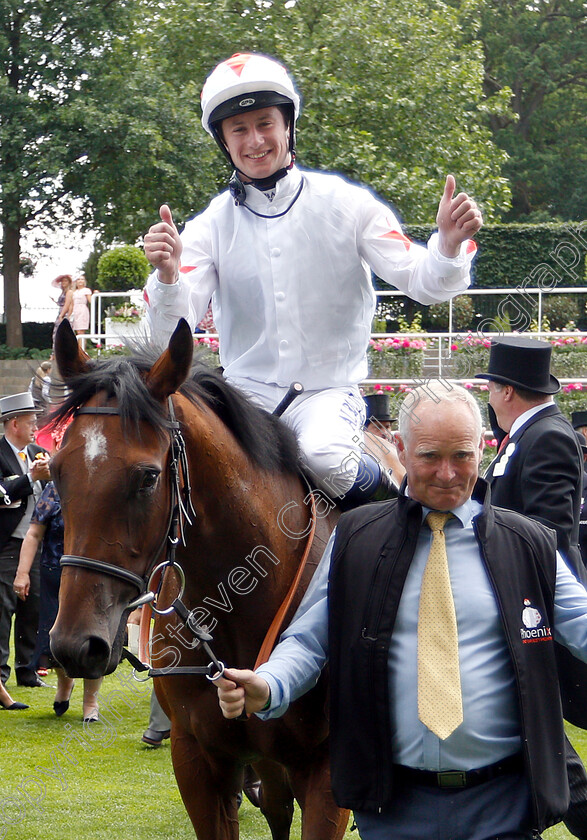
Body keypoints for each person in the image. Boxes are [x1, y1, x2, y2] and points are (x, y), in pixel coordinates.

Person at [215, 381, 587, 840]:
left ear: (482, 449)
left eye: (462, 456)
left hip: (504, 805)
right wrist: (269, 684)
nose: (448, 474)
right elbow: (310, 639)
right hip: (393, 806)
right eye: (430, 456)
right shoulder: (356, 538)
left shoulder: (528, 544)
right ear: (401, 448)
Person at [144, 51, 483, 508]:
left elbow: (425, 283)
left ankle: (399, 515)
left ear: (288, 126)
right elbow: (170, 333)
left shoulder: (347, 203)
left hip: (327, 392)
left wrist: (446, 244)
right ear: (224, 141)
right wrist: (167, 277)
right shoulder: (208, 226)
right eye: (239, 129)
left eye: (266, 123)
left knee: (324, 459)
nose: (255, 140)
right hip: (244, 396)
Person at [476, 336, 587, 840]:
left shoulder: (547, 437)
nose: (489, 398)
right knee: (534, 728)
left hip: (536, 607)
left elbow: (551, 533)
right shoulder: (528, 433)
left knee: (538, 727)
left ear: (506, 390)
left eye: (491, 388)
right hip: (524, 604)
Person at [13, 481, 103, 721]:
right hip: (55, 576)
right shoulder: (55, 488)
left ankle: (90, 701)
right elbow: (33, 533)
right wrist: (22, 573)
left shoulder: (104, 484)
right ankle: (65, 684)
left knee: (94, 637)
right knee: (59, 637)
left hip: (93, 575)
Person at [0, 393, 51, 688]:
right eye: (32, 422)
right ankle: (1, 676)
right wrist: (29, 478)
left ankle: (28, 671)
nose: (36, 427)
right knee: (3, 609)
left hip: (35, 545)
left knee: (33, 607)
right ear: (14, 423)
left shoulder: (38, 452)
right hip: (7, 545)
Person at [363, 392, 405, 489]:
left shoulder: (400, 452)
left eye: (387, 427)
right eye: (378, 427)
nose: (385, 432)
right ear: (365, 431)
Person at [51, 274, 73, 343]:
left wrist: (62, 315)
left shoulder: (69, 292)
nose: (63, 283)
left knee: (62, 334)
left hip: (64, 313)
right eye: (62, 281)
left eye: (65, 281)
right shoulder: (63, 292)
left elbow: (67, 304)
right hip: (61, 312)